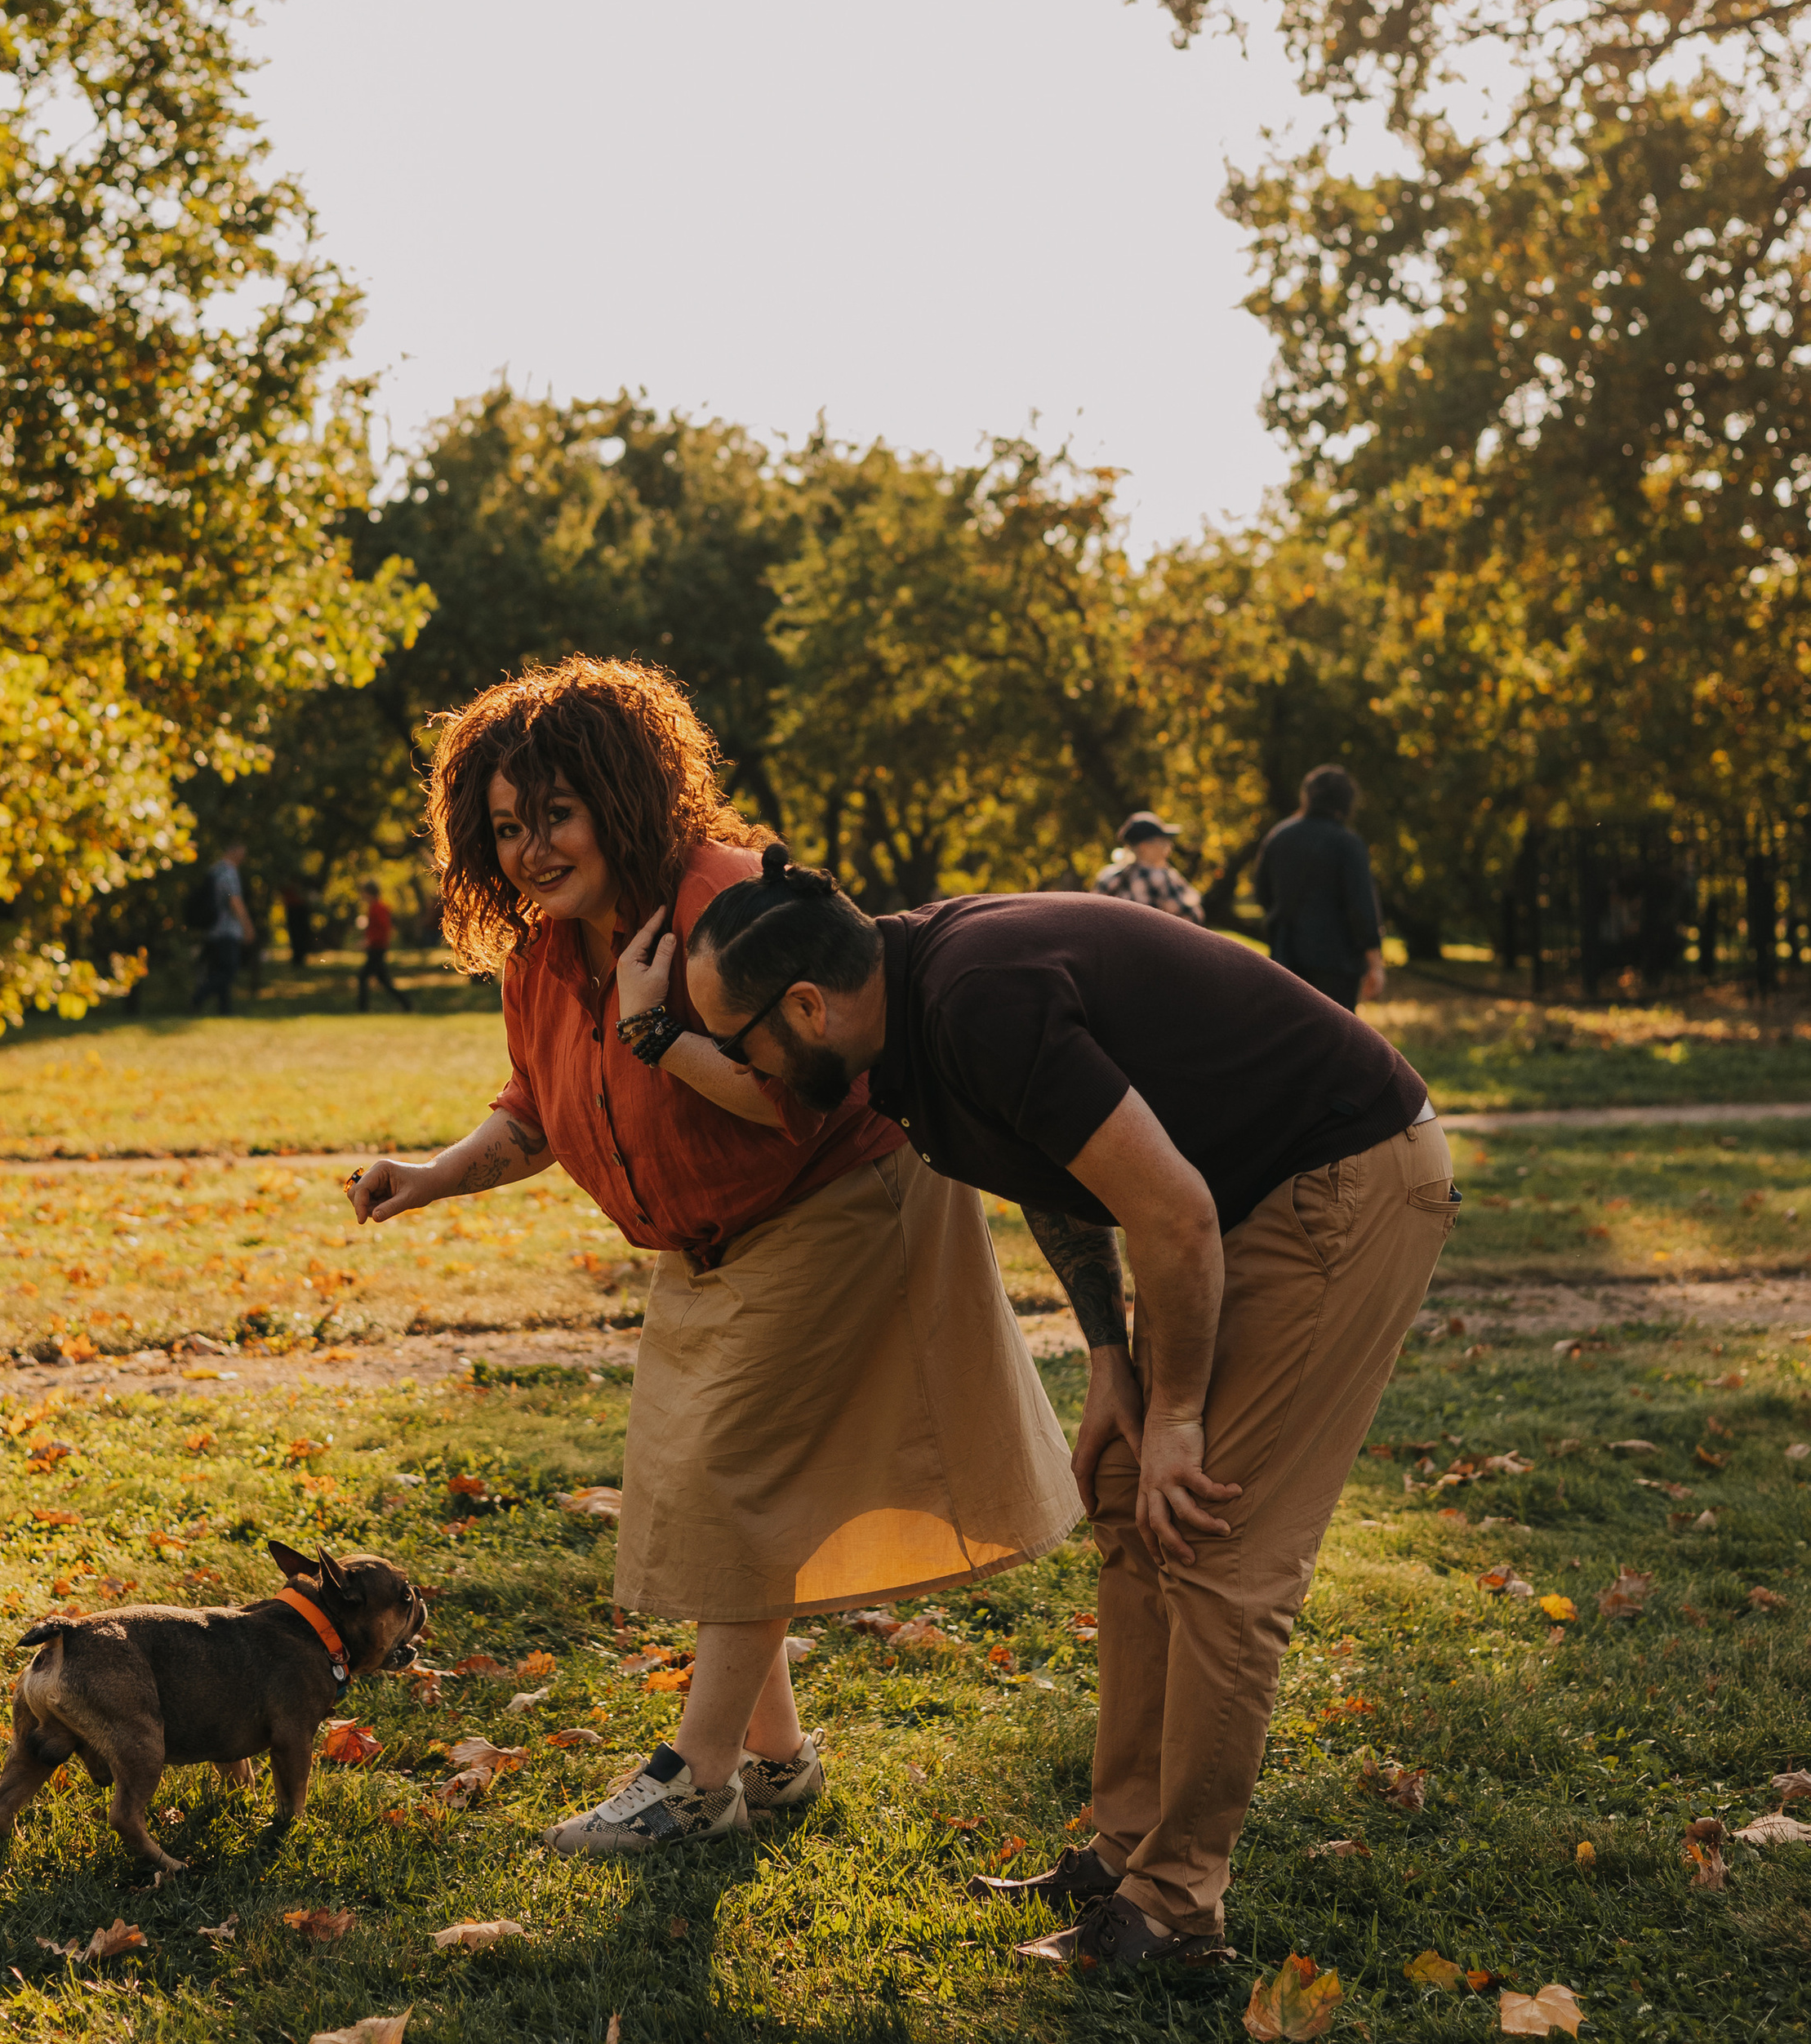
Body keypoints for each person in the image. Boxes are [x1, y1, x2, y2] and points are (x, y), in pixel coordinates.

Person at [345, 661, 1077, 1860]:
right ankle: (778, 1765)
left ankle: (695, 1780)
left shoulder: (728, 904)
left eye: (558, 815)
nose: (532, 850)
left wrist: (657, 1031)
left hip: (843, 1198)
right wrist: (430, 1175)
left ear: (626, 796)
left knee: (736, 1481)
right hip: (708, 1243)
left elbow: (806, 1084)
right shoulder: (545, 953)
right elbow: (537, 1111)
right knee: (701, 1496)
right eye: (509, 828)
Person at [684, 858, 1458, 1969]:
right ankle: (1126, 1851)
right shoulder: (902, 1014)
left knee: (1208, 1529)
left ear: (804, 1006)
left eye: (738, 1040)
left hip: (1339, 1178)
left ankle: (1175, 1912)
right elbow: (1061, 1168)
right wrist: (1110, 1358)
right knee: (1124, 1500)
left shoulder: (973, 998)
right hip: (1233, 1196)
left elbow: (1176, 1215)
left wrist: (1179, 1414)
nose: (741, 1066)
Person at [1255, 768, 1386, 1013]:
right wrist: (1375, 965)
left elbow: (1262, 894)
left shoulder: (1278, 837)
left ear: (1307, 797)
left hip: (1286, 956)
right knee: (1334, 1038)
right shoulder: (1348, 843)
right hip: (1337, 964)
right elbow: (1361, 907)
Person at [1092, 811, 1205, 924]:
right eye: (1163, 841)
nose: (1169, 846)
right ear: (1144, 847)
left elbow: (1094, 915)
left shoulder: (1108, 875)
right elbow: (1193, 916)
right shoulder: (1159, 876)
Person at [189, 844, 252, 1015]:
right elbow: (234, 901)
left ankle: (225, 1010)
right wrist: (247, 926)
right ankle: (198, 997)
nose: (244, 855)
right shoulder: (228, 873)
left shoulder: (214, 870)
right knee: (228, 970)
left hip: (211, 929)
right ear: (234, 850)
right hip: (226, 930)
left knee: (219, 969)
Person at [355, 881, 406, 1010]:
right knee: (384, 981)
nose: (362, 896)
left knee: (363, 977)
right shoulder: (374, 908)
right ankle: (406, 1004)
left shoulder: (379, 908)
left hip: (378, 948)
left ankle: (362, 1009)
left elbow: (384, 928)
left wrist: (370, 941)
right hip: (376, 947)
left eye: (364, 893)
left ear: (369, 893)